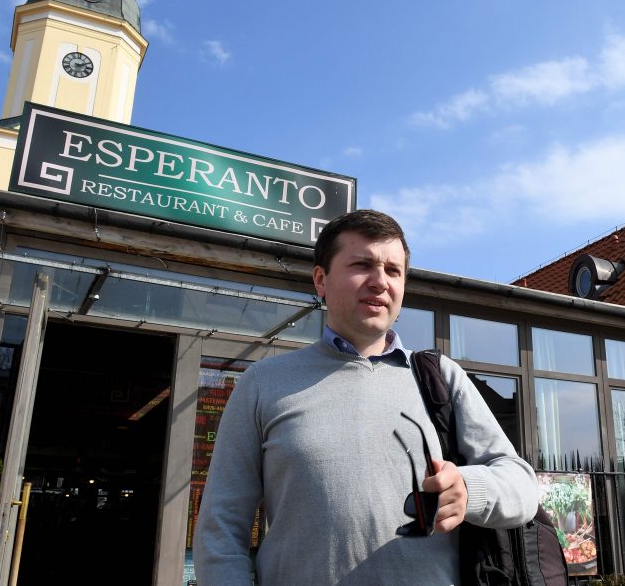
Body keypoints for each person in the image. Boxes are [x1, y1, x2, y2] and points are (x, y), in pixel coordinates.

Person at [194, 209, 538, 585]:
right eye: (362, 265)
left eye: (393, 271)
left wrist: (469, 490)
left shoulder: (440, 378)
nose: (380, 282)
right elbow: (220, 529)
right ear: (321, 280)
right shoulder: (262, 383)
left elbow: (522, 488)